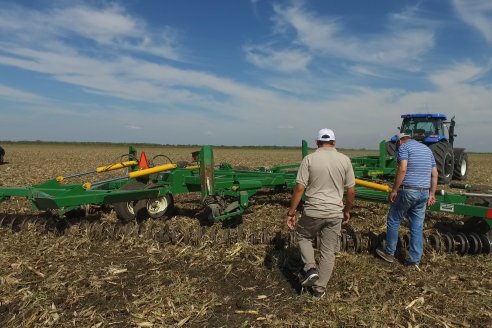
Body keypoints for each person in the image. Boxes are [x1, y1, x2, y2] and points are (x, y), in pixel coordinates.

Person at [286, 128, 355, 299]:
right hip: (335, 213)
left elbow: (300, 188)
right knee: (328, 251)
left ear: (316, 142)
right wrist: (347, 210)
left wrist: (291, 212)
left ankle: (310, 268)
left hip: (313, 210)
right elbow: (351, 190)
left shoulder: (309, 159)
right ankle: (319, 289)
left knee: (303, 236)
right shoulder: (345, 160)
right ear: (334, 142)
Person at [376, 132, 438, 267]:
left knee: (394, 219)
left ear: (399, 142)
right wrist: (432, 194)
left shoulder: (404, 147)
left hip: (408, 190)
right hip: (424, 193)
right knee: (417, 225)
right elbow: (435, 174)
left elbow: (403, 169)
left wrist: (394, 190)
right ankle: (414, 259)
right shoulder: (427, 150)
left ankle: (389, 253)